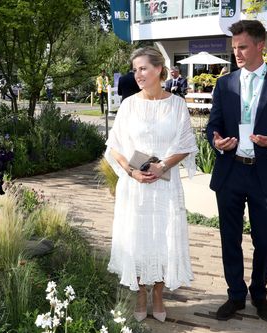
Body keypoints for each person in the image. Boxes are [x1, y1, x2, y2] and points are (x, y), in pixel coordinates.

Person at [206, 20, 267, 322]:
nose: (237, 53)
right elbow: (213, 125)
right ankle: (235, 295)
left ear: (261, 46)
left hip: (264, 174)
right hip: (230, 172)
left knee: (265, 240)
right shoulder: (225, 84)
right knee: (229, 238)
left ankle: (259, 294)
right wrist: (217, 141)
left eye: (243, 46)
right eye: (234, 47)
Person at [104, 46, 198, 323]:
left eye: (143, 68)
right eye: (135, 70)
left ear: (159, 69)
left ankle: (157, 294)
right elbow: (115, 147)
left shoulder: (178, 105)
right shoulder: (129, 104)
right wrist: (131, 172)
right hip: (135, 187)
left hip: (165, 186)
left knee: (162, 239)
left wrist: (164, 165)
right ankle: (140, 295)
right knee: (137, 237)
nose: (138, 74)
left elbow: (186, 145)